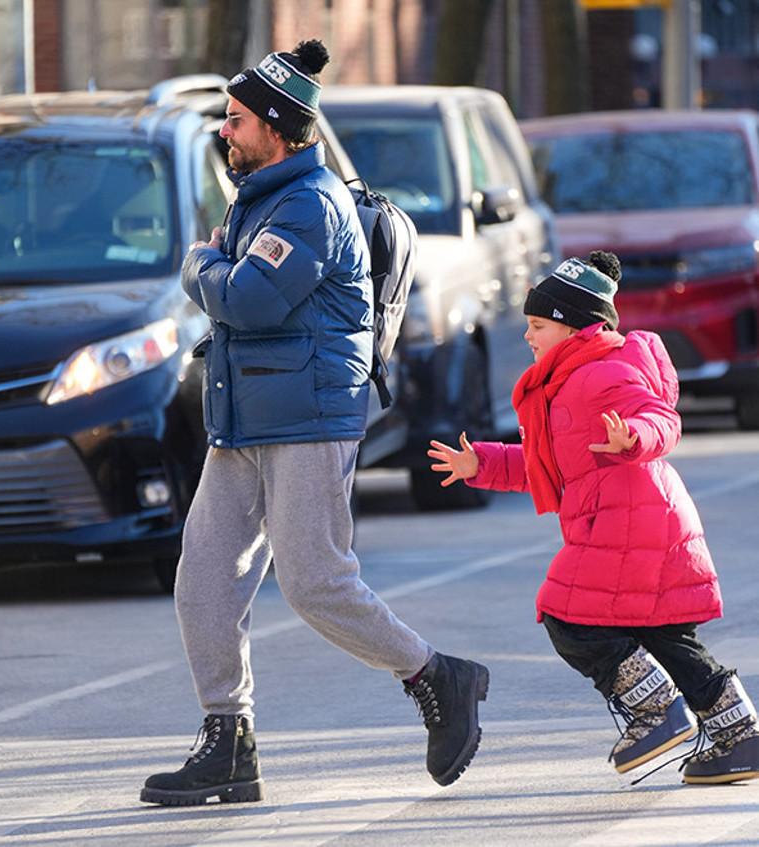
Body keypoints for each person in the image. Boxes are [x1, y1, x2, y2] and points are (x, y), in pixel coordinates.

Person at [140, 39, 488, 807]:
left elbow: (251, 299)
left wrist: (200, 266)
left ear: (274, 125)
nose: (223, 133)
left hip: (307, 417)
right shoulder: (259, 195)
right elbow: (241, 291)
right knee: (202, 579)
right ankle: (228, 740)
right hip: (245, 417)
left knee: (315, 582)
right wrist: (217, 266)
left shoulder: (309, 203)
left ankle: (437, 674)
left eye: (234, 120)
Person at [428, 250, 759, 785]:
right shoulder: (568, 380)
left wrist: (634, 437)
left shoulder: (600, 373)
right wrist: (479, 463)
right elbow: (549, 465)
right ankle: (741, 737)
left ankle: (657, 713)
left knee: (568, 616)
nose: (529, 336)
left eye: (538, 325)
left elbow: (659, 417)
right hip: (644, 523)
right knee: (667, 640)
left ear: (574, 327)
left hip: (630, 522)